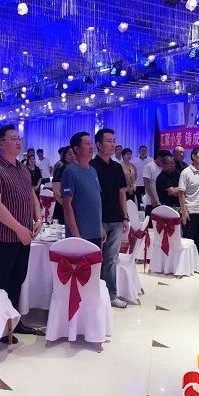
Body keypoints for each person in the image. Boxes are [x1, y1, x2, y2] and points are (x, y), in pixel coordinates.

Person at [0, 124, 42, 340]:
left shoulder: (22, 168)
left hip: (25, 235)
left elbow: (31, 194)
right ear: (1, 143)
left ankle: (13, 323)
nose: (18, 142)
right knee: (1, 283)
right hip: (6, 237)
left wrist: (39, 218)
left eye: (19, 138)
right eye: (13, 138)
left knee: (18, 279)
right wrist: (18, 228)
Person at [91, 128, 129, 308]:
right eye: (109, 141)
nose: (113, 144)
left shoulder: (117, 167)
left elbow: (122, 193)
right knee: (95, 259)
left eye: (114, 141)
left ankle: (111, 295)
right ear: (99, 144)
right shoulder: (92, 167)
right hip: (98, 220)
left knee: (111, 259)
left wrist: (125, 217)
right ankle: (94, 295)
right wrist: (97, 222)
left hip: (116, 219)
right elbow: (93, 198)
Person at [62, 132, 103, 248]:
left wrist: (100, 228)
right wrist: (75, 234)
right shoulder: (70, 171)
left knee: (97, 260)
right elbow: (67, 205)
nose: (91, 147)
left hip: (95, 232)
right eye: (87, 144)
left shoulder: (93, 171)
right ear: (76, 149)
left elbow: (96, 202)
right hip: (81, 234)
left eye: (91, 143)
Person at [178, 147, 199, 256]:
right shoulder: (186, 172)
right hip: (190, 211)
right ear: (193, 156)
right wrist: (184, 211)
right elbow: (181, 193)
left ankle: (196, 263)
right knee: (188, 241)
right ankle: (185, 263)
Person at [143, 150, 172, 221]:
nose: (165, 162)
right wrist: (152, 198)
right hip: (152, 202)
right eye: (164, 160)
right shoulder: (149, 166)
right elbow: (147, 184)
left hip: (163, 202)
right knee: (151, 223)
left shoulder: (164, 168)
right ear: (159, 158)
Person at [51, 146, 75, 224]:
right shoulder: (60, 171)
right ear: (64, 157)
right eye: (69, 154)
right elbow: (56, 193)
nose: (73, 156)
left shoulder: (80, 171)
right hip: (63, 206)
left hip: (78, 208)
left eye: (74, 153)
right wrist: (68, 207)